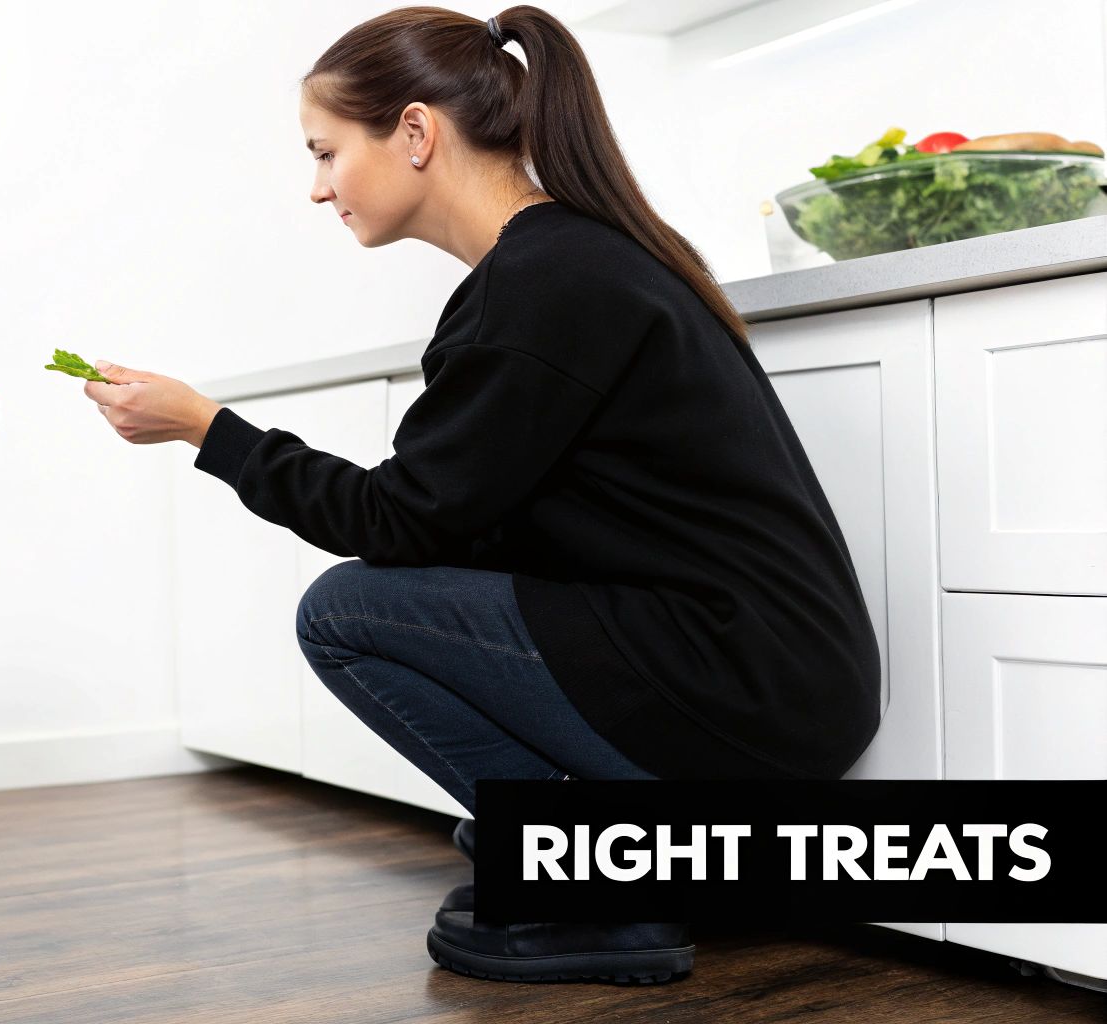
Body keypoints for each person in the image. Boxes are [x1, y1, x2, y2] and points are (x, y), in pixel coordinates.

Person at [78, 3, 881, 986]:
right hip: (767, 683)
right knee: (415, 608)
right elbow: (455, 523)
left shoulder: (543, 284)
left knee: (344, 611)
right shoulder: (563, 262)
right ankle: (590, 858)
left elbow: (391, 522)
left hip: (747, 696)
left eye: (326, 152)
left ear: (414, 132)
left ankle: (601, 881)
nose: (316, 187)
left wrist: (207, 427)